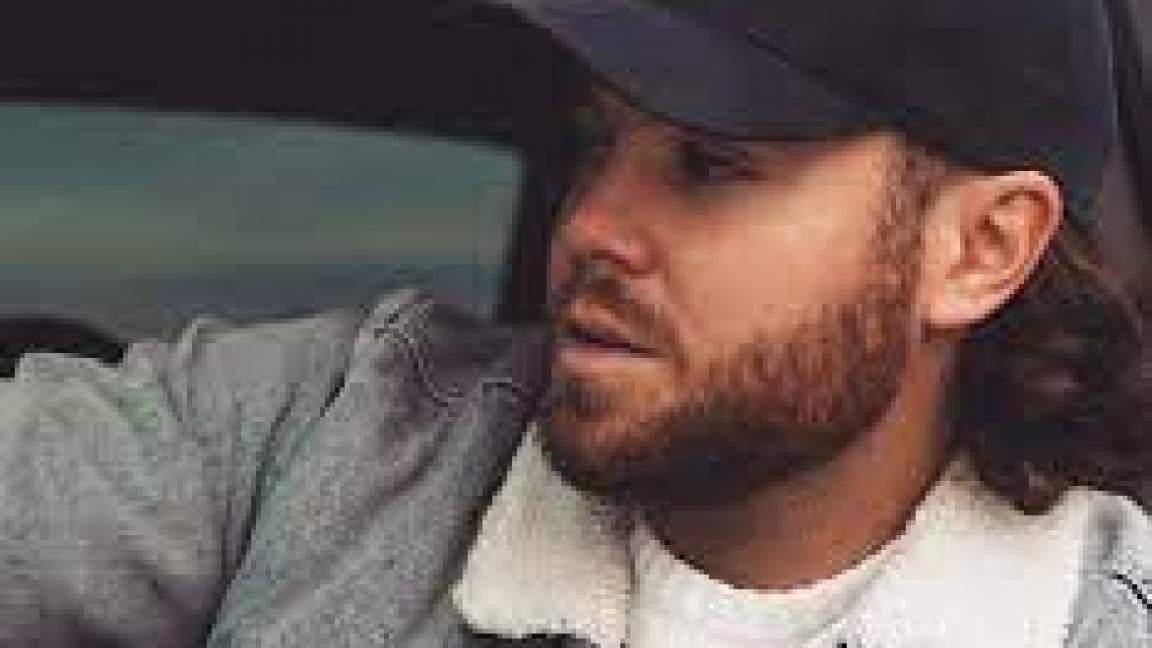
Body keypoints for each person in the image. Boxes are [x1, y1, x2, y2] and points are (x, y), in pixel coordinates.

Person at [0, 0, 1149, 646]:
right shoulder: (344, 430)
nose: (591, 222)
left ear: (980, 248)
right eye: (597, 144)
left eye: (708, 164)